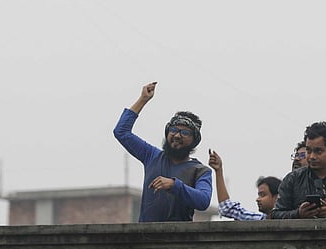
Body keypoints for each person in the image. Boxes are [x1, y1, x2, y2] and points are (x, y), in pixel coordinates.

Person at [113, 82, 212, 222]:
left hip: (179, 240)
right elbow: (121, 132)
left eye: (185, 132)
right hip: (145, 238)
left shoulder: (200, 171)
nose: (177, 136)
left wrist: (174, 185)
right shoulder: (152, 156)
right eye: (173, 130)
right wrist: (143, 99)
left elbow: (203, 201)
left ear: (194, 141)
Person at [207, 149, 280, 221]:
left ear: (276, 198)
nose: (258, 199)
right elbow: (226, 208)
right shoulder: (258, 219)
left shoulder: (289, 219)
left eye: (263, 195)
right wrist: (218, 171)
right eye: (259, 195)